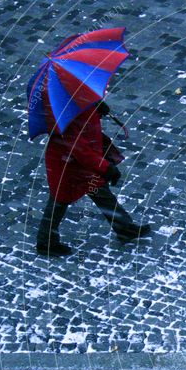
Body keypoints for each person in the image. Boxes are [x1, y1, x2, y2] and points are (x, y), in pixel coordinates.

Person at [36, 100, 150, 257]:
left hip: (78, 166)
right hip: (67, 169)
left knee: (101, 193)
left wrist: (95, 106)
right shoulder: (63, 118)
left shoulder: (74, 99)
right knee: (58, 203)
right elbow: (82, 151)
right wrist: (106, 168)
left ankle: (124, 228)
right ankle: (45, 242)